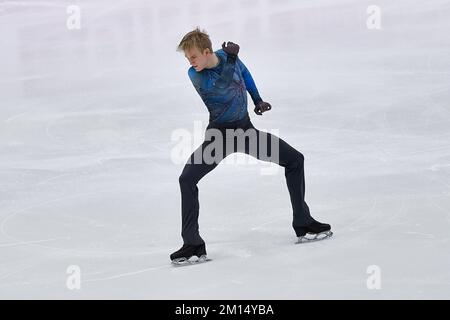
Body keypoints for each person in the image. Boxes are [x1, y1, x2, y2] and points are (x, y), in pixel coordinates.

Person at [170, 27, 332, 264]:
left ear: (206, 52)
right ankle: (193, 244)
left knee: (295, 160)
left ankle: (303, 222)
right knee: (187, 179)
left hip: (245, 132)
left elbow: (243, 74)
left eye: (192, 56)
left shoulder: (227, 57)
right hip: (219, 137)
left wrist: (257, 100)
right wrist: (232, 58)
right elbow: (221, 86)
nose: (189, 61)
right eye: (187, 57)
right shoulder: (195, 74)